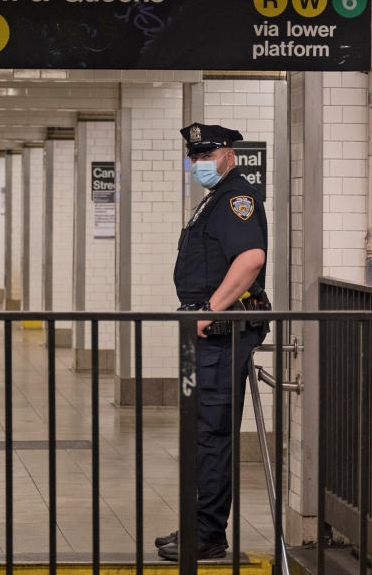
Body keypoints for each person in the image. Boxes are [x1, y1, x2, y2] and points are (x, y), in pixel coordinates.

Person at [156, 122, 269, 561]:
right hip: (208, 334)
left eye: (206, 156)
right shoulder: (216, 199)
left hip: (223, 335)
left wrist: (211, 310)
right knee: (201, 431)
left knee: (212, 432)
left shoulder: (237, 199)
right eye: (195, 157)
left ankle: (207, 535)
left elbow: (250, 259)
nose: (199, 164)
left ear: (229, 155)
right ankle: (197, 524)